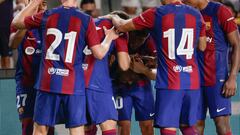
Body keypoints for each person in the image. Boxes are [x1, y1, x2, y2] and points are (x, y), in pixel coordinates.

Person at [12, 0, 119, 134]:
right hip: (74, 84)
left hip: (48, 82)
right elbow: (99, 54)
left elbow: (16, 22)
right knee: (77, 131)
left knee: (40, 130)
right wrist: (109, 38)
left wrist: (35, 2)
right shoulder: (86, 20)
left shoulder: (47, 15)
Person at [105, 0, 207, 134]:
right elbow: (202, 46)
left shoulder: (157, 13)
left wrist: (112, 16)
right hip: (192, 80)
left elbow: (121, 26)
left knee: (167, 127)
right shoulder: (196, 14)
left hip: (171, 81)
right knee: (186, 126)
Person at [183, 0, 240, 135]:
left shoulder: (220, 11)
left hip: (217, 78)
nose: (184, 0)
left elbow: (237, 44)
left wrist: (232, 77)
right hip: (194, 80)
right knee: (195, 125)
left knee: (221, 124)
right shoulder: (186, 13)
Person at [10, 1, 55, 135]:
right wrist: (27, 22)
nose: (41, 6)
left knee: (47, 127)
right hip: (26, 83)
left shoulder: (52, 22)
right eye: (37, 3)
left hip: (46, 84)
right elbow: (12, 43)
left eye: (44, 3)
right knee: (28, 125)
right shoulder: (19, 21)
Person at [83, 11, 130, 135]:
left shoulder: (87, 21)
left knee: (85, 126)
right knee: (108, 124)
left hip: (76, 81)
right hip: (98, 81)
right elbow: (124, 65)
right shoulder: (119, 29)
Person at [112, 30, 156, 135]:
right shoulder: (121, 38)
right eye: (134, 37)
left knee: (147, 125)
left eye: (140, 40)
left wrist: (146, 64)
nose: (136, 42)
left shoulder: (150, 40)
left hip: (142, 86)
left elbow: (157, 62)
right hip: (121, 86)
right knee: (123, 125)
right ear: (129, 33)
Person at [0, 0, 13, 68]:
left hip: (6, 24)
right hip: (3, 24)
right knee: (3, 53)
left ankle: (7, 74)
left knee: (6, 52)